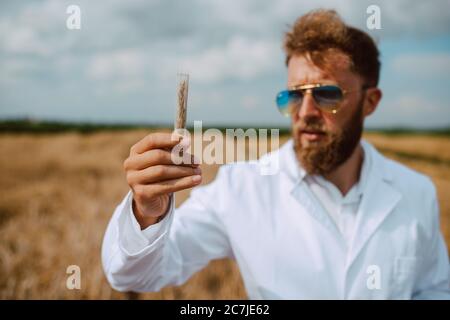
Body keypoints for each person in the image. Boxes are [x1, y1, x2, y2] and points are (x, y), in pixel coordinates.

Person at [101, 9, 450, 299]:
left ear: (370, 102)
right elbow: (134, 278)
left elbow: (433, 289)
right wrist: (146, 212)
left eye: (327, 94)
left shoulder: (416, 193)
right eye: (293, 96)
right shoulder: (241, 188)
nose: (306, 111)